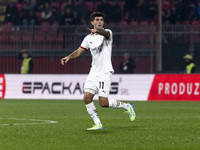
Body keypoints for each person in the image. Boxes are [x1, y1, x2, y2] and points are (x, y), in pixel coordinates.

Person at [60, 12, 136, 130]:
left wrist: (98, 31)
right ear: (92, 22)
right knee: (86, 98)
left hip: (105, 72)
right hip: (94, 72)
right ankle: (98, 124)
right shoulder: (88, 38)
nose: (100, 21)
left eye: (101, 19)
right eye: (97, 20)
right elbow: (79, 51)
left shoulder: (108, 33)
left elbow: (105, 33)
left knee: (103, 103)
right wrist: (69, 57)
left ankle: (127, 106)